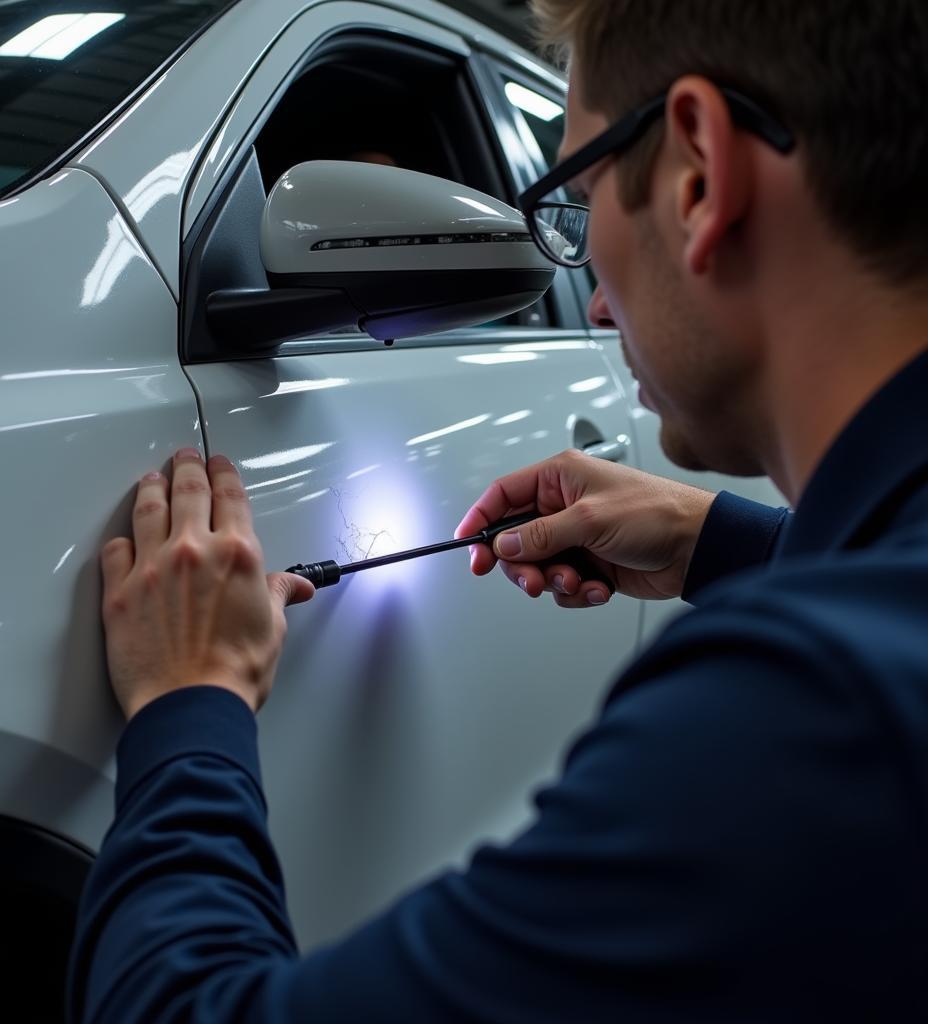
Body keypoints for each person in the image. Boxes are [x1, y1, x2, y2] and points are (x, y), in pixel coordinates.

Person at [67, 1, 928, 1020]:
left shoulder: (801, 720)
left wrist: (187, 702)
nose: (597, 307)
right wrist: (715, 540)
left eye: (580, 199)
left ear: (699, 176)